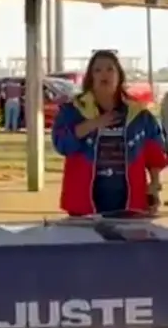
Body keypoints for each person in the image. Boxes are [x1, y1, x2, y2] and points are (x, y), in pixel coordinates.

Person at [51, 49, 167, 216]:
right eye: (97, 70)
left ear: (119, 76)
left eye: (110, 69)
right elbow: (61, 143)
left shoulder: (139, 114)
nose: (104, 74)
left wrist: (154, 189)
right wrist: (94, 124)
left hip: (130, 205)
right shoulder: (73, 110)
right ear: (90, 78)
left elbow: (155, 155)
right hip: (84, 206)